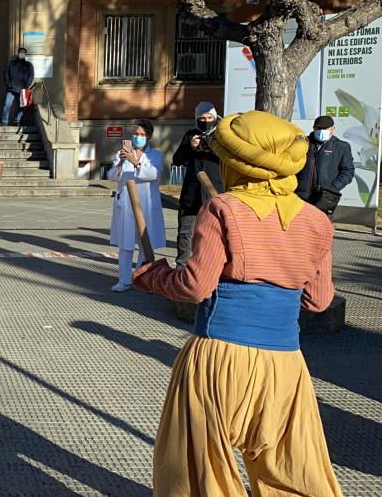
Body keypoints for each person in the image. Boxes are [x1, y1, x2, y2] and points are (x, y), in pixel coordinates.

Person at [133, 110, 342, 497]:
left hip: (219, 359)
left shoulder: (223, 209)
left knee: (199, 469)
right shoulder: (317, 222)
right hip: (285, 366)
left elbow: (195, 286)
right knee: (292, 470)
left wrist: (151, 276)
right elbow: (319, 300)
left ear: (238, 164)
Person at [108, 120, 164, 292]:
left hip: (146, 203)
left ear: (148, 137)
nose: (138, 138)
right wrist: (120, 163)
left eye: (142, 135)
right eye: (136, 134)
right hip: (126, 204)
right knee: (125, 244)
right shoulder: (122, 154)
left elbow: (153, 174)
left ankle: (139, 277)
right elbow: (111, 176)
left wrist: (136, 163)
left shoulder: (155, 155)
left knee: (144, 243)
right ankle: (124, 280)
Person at [171, 101, 224, 267]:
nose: (206, 120)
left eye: (209, 117)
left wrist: (213, 147)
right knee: (186, 232)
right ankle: (182, 267)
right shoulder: (191, 134)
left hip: (216, 192)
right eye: (202, 118)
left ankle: (211, 266)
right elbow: (177, 160)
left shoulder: (222, 136)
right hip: (191, 195)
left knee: (214, 232)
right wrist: (191, 147)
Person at [295, 115, 355, 219]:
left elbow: (348, 171)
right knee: (300, 230)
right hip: (301, 197)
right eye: (318, 128)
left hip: (324, 199)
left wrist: (332, 188)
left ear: (333, 129)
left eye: (325, 129)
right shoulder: (304, 144)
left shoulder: (341, 147)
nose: (321, 131)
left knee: (321, 230)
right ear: (314, 128)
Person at [1, 47, 33, 126]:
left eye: (23, 52)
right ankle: (4, 122)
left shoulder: (29, 65)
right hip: (11, 88)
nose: (22, 53)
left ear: (25, 54)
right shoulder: (11, 63)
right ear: (18, 53)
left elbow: (31, 76)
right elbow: (6, 73)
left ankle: (17, 120)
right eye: (20, 52)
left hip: (23, 88)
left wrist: (27, 85)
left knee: (22, 106)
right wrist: (8, 83)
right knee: (7, 104)